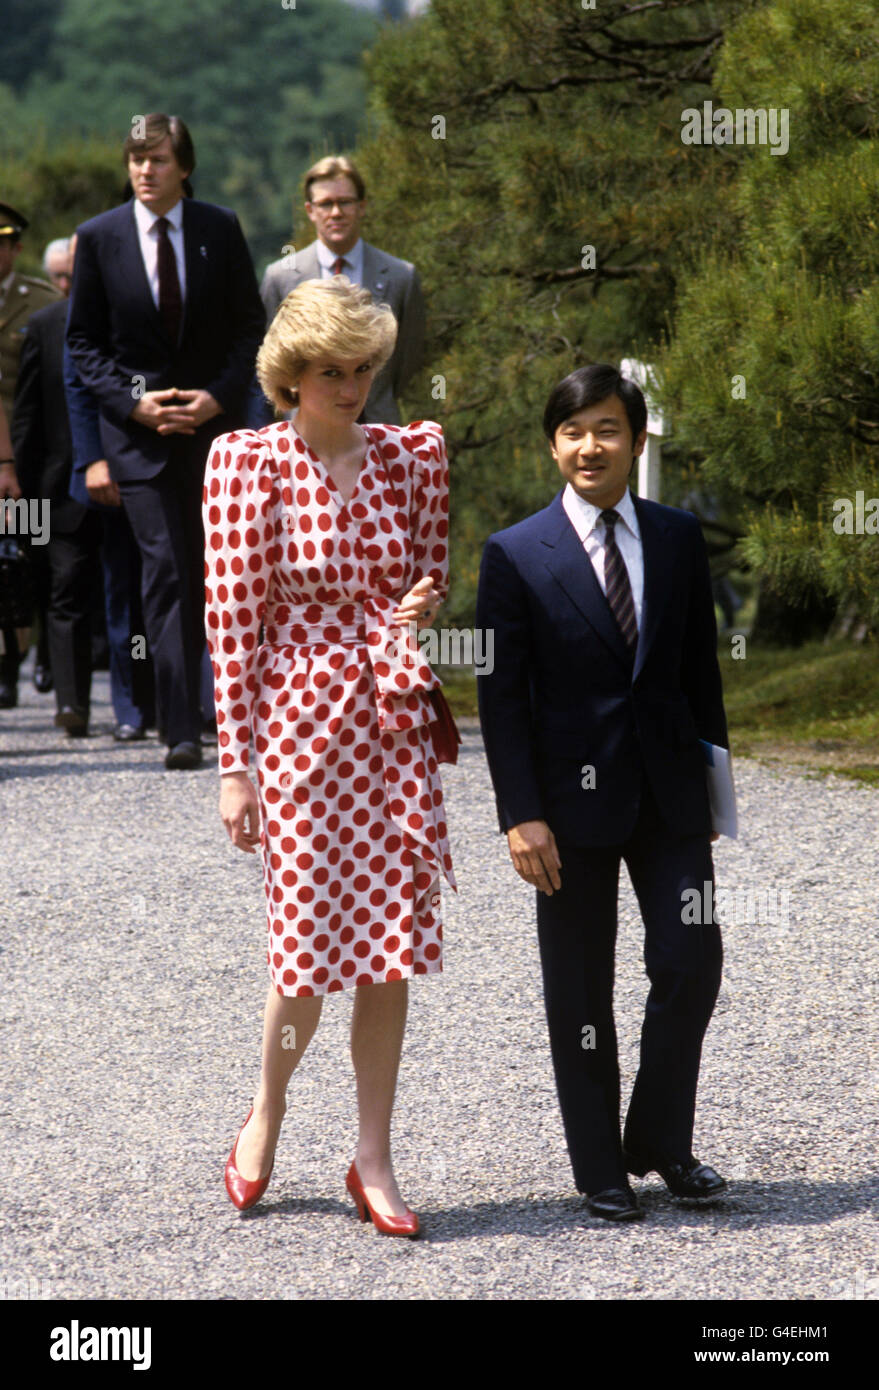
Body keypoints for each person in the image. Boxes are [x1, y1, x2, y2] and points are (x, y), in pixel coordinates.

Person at [204, 277, 455, 1233]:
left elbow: (427, 568)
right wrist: (236, 766)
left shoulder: (412, 456)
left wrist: (416, 609)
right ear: (289, 377)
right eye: (328, 373)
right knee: (306, 942)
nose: (349, 389)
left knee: (389, 942)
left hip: (389, 718)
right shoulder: (244, 465)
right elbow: (233, 627)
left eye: (360, 370)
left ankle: (373, 1157)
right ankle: (266, 1110)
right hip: (297, 718)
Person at [475, 363, 730, 1223]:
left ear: (637, 438)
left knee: (692, 964)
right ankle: (599, 1169)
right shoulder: (514, 553)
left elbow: (701, 678)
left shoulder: (676, 538)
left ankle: (657, 1138)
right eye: (574, 431)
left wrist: (713, 796)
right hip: (564, 811)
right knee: (579, 988)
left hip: (667, 801)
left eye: (608, 429)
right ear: (553, 445)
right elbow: (500, 700)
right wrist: (519, 815)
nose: (591, 446)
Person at [66, 114, 265, 768]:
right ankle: (180, 726)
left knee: (224, 576)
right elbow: (82, 345)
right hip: (140, 442)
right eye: (135, 160)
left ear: (184, 166)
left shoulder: (220, 228)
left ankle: (236, 716)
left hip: (215, 436)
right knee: (168, 574)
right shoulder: (98, 238)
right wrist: (133, 404)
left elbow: (248, 332)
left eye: (156, 160)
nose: (144, 171)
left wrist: (216, 398)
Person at [254, 156, 424, 427]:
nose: (336, 212)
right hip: (304, 431)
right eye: (325, 204)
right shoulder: (281, 276)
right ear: (310, 210)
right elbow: (271, 358)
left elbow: (407, 361)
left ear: (362, 207)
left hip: (378, 427)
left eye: (345, 202)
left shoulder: (401, 275)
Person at [12, 233, 102, 736]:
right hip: (55, 491)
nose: (70, 283)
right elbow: (26, 420)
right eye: (63, 275)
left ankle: (144, 703)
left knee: (128, 598)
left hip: (127, 482)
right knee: (61, 590)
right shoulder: (44, 325)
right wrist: (23, 505)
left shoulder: (127, 322)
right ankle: (72, 703)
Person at [0, 203, 63, 706]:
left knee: (30, 556)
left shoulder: (39, 301)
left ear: (15, 249)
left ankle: (39, 652)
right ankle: (6, 664)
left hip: (23, 457)